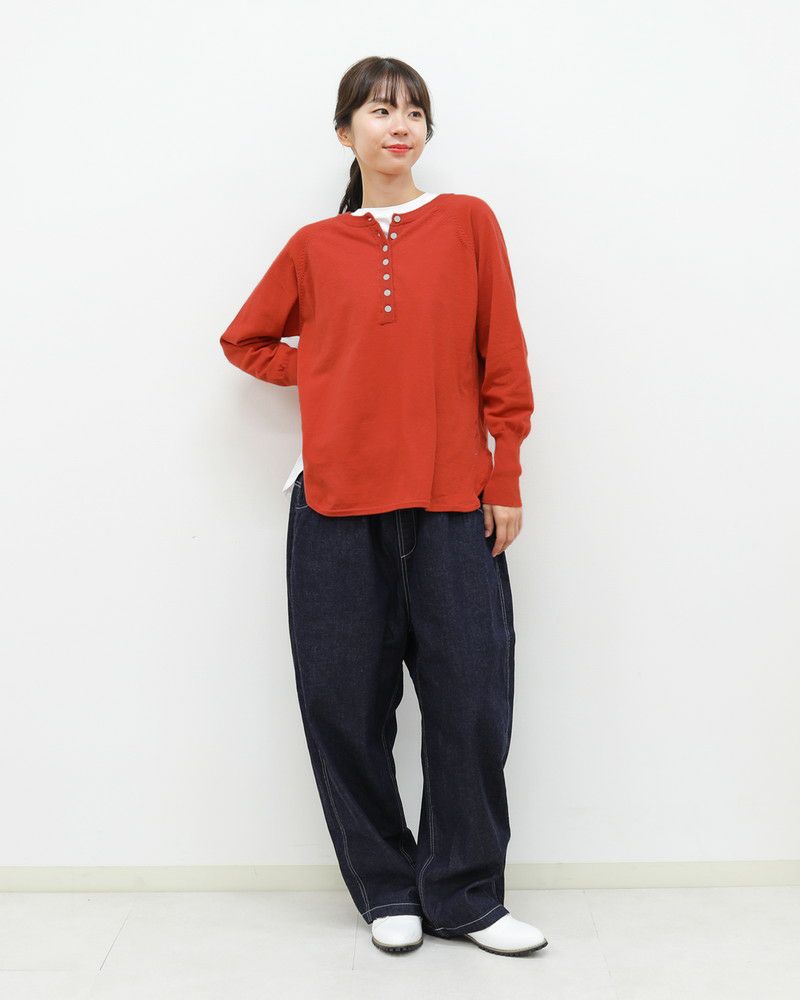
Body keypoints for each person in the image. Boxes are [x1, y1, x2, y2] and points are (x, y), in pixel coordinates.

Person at [219, 56, 547, 958]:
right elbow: (246, 339)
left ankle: (466, 896)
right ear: (345, 132)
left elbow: (504, 357)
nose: (398, 126)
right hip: (334, 508)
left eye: (413, 113)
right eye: (378, 111)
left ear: (426, 132)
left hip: (452, 503)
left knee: (471, 703)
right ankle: (387, 889)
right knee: (344, 707)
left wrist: (507, 475)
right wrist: (326, 370)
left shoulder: (469, 223)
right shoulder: (315, 247)